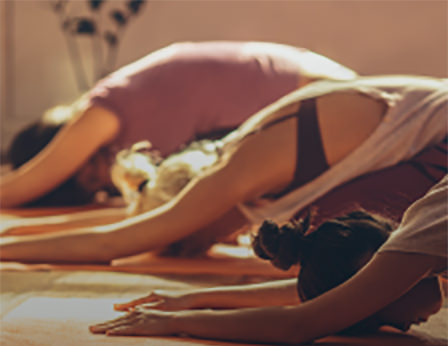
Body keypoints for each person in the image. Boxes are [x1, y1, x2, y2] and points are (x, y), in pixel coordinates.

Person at [1, 75, 446, 262]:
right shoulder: (261, 187)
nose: (201, 246)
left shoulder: (245, 165)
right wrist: (13, 233)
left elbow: (119, 240)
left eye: (183, 241)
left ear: (195, 202)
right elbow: (127, 221)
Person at [90, 175, 447, 344]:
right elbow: (335, 298)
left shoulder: (428, 228)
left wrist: (178, 322)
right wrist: (195, 298)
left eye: (376, 313)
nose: (403, 326)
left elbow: (300, 323)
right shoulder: (424, 232)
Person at [1, 41, 357, 208]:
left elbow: (22, 187)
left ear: (58, 138)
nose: (103, 172)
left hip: (329, 96)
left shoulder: (102, 109)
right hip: (329, 95)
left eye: (88, 167)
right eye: (95, 184)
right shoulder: (124, 123)